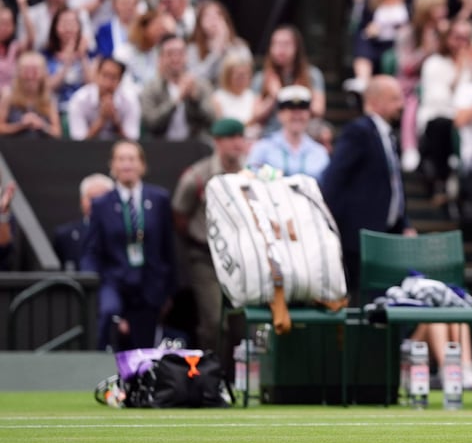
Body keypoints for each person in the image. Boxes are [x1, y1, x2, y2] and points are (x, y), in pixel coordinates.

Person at [320, 75, 414, 293]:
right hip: (360, 241)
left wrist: (404, 222)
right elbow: (334, 180)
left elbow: (394, 187)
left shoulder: (389, 136)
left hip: (387, 236)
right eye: (395, 99)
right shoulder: (358, 131)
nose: (401, 105)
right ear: (375, 101)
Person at [81, 140, 176, 350]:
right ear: (112, 166)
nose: (127, 165)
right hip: (115, 282)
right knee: (109, 320)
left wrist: (168, 288)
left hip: (149, 285)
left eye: (132, 159)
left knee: (143, 349)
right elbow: (92, 249)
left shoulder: (159, 199)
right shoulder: (101, 204)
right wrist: (90, 281)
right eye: (121, 159)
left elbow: (167, 247)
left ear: (142, 165)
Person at [173, 117, 248, 352]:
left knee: (242, 323)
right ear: (217, 141)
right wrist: (199, 237)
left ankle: (237, 378)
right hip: (206, 256)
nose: (237, 143)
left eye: (240, 137)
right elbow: (179, 214)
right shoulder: (197, 176)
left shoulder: (249, 175)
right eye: (231, 138)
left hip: (242, 258)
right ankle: (210, 375)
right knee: (214, 322)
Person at [140, 34, 216, 140]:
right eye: (170, 54)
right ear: (161, 58)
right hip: (161, 146)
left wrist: (194, 100)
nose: (175, 58)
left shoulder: (201, 85)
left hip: (195, 147)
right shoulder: (151, 88)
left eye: (180, 53)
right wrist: (175, 101)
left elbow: (212, 121)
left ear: (186, 56)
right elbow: (151, 123)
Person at [247, 85, 330, 179]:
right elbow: (248, 177)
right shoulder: (263, 148)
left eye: (302, 109)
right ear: (279, 114)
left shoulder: (319, 152)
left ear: (309, 114)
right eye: (291, 109)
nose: (297, 115)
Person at [66, 56, 140, 140]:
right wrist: (101, 120)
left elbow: (133, 143)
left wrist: (116, 122)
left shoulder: (129, 101)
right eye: (104, 75)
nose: (107, 83)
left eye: (113, 77)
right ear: (97, 75)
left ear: (120, 80)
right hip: (88, 150)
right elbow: (77, 144)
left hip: (119, 150)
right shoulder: (80, 100)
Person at [54, 173, 113, 271]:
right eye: (92, 198)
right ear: (82, 201)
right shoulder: (64, 236)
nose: (96, 203)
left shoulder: (125, 232)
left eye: (102, 198)